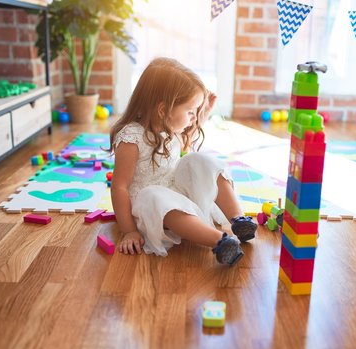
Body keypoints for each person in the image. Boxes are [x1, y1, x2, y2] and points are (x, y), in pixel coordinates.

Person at [108, 57, 257, 266]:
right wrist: (129, 231)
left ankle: (239, 221)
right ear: (163, 110)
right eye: (190, 111)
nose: (193, 118)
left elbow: (186, 142)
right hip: (150, 207)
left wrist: (203, 113)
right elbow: (119, 187)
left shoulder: (169, 128)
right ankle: (220, 242)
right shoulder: (132, 137)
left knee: (198, 160)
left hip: (174, 191)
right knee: (156, 196)